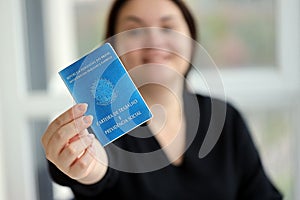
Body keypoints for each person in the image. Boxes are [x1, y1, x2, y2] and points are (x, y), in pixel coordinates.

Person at [41, 0, 283, 199]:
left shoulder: (225, 119)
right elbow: (94, 174)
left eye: (168, 27)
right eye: (134, 30)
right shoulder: (97, 125)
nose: (154, 41)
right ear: (111, 48)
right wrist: (87, 169)